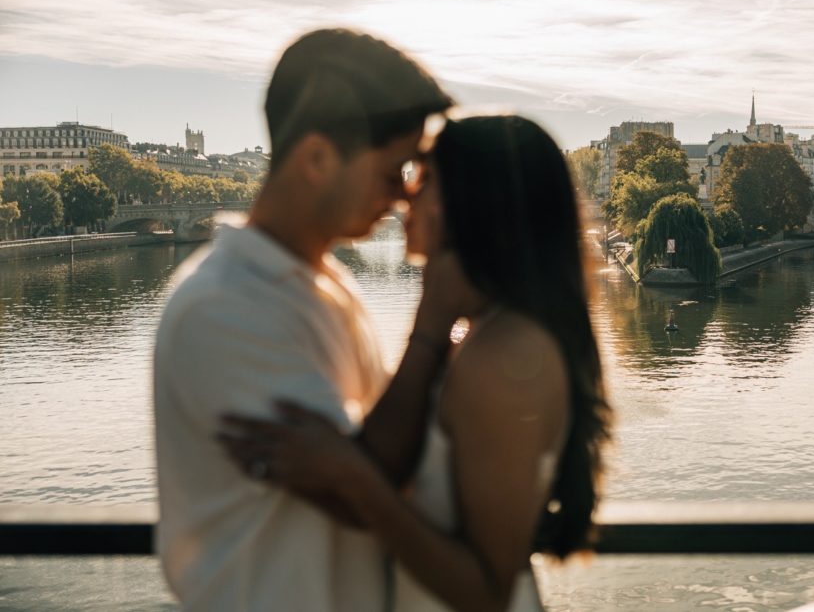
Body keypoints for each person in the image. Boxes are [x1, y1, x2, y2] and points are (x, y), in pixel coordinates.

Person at [218, 115, 613, 611]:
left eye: (421, 181)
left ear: (466, 205)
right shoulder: (487, 332)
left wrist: (351, 476)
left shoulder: (505, 356)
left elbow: (487, 593)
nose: (404, 198)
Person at [153, 28, 455, 611]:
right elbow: (368, 483)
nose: (401, 196)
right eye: (393, 171)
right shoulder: (223, 307)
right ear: (317, 158)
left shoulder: (319, 284)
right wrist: (434, 317)